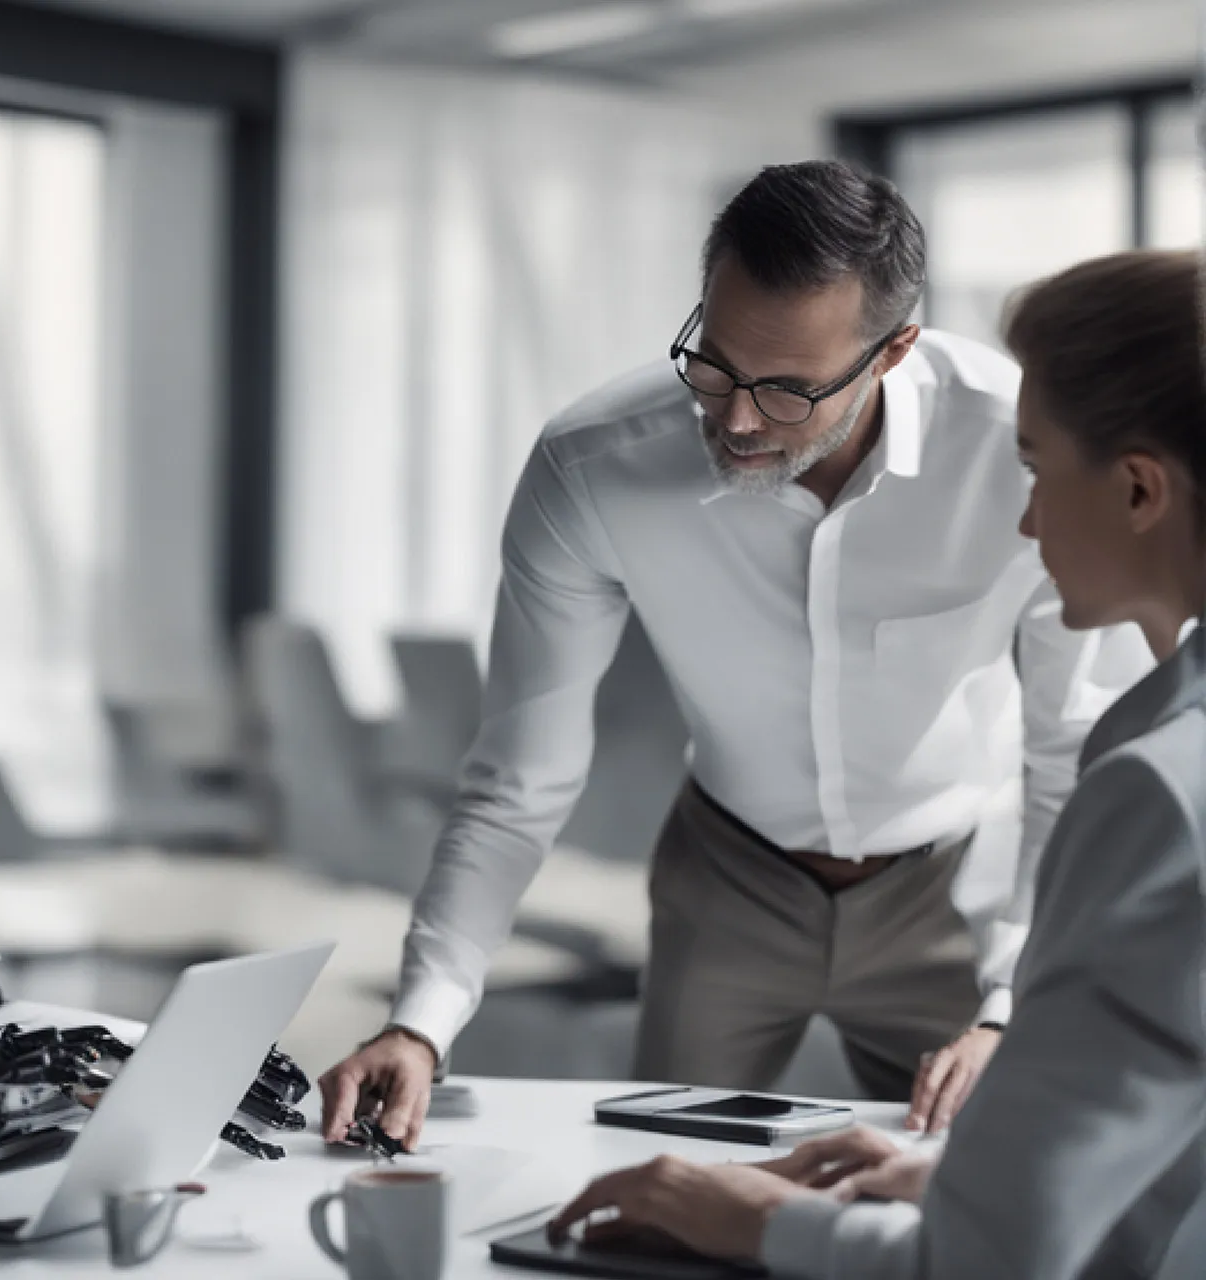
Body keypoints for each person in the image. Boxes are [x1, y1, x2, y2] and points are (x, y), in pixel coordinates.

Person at [320, 160, 1152, 1150]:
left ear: (895, 351)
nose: (737, 418)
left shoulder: (1018, 447)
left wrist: (1015, 995)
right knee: (657, 1193)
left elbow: (1070, 755)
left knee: (981, 1199)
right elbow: (519, 778)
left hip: (956, 896)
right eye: (713, 363)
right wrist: (422, 1016)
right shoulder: (593, 468)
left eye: (790, 390)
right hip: (727, 881)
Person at [545, 247, 1206, 1278]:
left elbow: (991, 1262)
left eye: (1033, 468)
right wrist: (957, 1172)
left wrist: (748, 1215)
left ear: (1136, 490)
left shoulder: (1158, 794)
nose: (1024, 520)